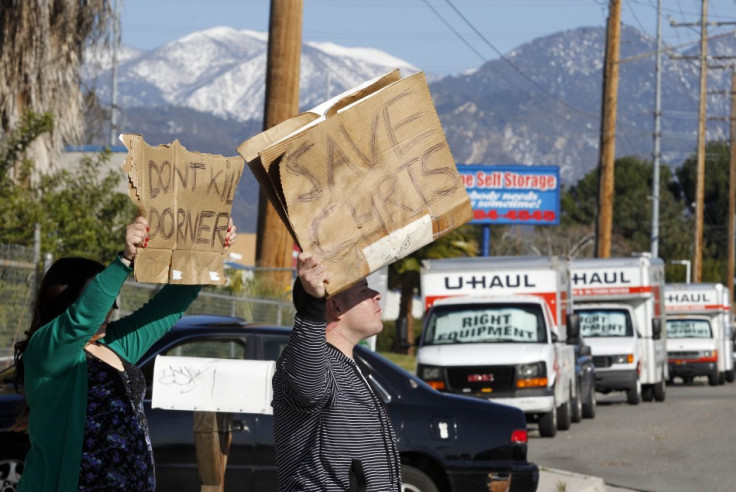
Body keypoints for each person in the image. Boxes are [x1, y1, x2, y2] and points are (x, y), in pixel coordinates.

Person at [12, 215, 237, 491]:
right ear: (67, 302)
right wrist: (124, 261)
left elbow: (166, 309)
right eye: (104, 299)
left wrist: (207, 253)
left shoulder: (112, 344)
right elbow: (83, 318)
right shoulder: (47, 349)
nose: (112, 308)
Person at [271, 252, 402, 492]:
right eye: (363, 291)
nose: (376, 295)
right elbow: (308, 386)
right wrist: (312, 302)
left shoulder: (347, 364)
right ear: (335, 306)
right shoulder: (306, 363)